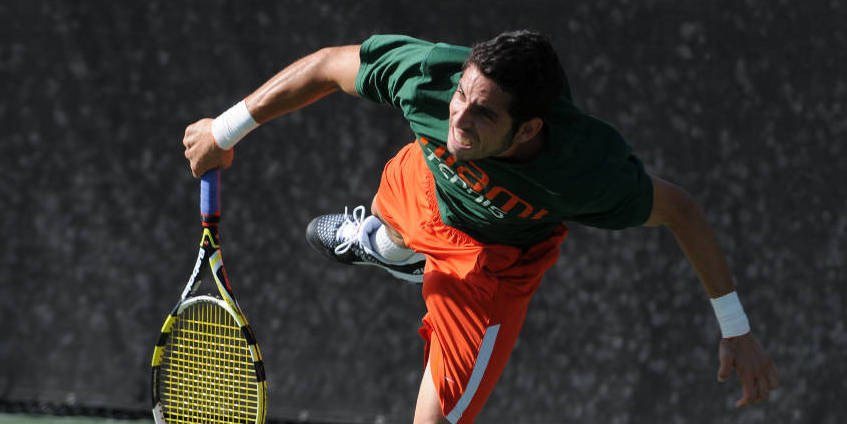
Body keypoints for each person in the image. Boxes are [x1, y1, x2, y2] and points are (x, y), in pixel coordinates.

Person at [182, 30, 779, 424]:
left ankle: (401, 251)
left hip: (490, 267)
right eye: (461, 97)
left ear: (527, 130)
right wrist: (224, 131)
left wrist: (736, 329)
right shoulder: (431, 80)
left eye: (484, 112)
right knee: (412, 181)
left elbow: (683, 212)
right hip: (422, 190)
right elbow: (326, 67)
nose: (458, 118)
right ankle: (390, 244)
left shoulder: (587, 172)